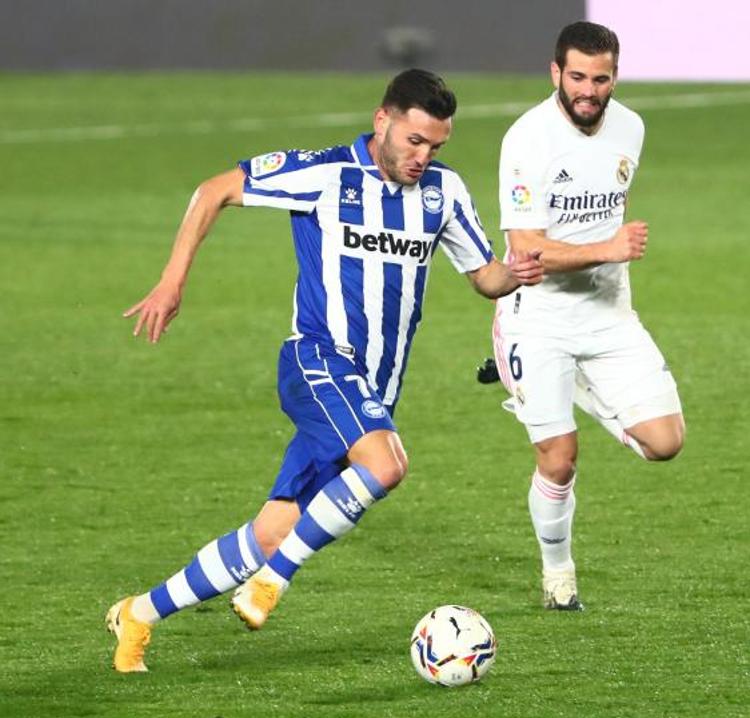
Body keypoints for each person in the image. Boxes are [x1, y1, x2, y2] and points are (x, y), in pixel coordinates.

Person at [107, 69, 544, 672]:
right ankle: (271, 584)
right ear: (382, 120)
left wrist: (517, 273)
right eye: (414, 141)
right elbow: (213, 190)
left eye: (436, 146)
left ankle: (139, 615)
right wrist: (172, 281)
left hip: (372, 393)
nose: (424, 157)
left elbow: (483, 277)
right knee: (387, 465)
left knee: (269, 533)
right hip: (317, 361)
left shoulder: (445, 193)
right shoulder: (325, 174)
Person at [490, 22, 685, 611]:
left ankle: (557, 382)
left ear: (614, 77)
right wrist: (609, 249)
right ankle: (558, 575)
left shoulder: (632, 126)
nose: (588, 90)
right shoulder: (527, 140)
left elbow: (610, 203)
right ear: (556, 73)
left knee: (664, 442)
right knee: (560, 454)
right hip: (538, 316)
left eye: (600, 79)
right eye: (577, 77)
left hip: (607, 315)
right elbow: (526, 249)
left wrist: (609, 260)